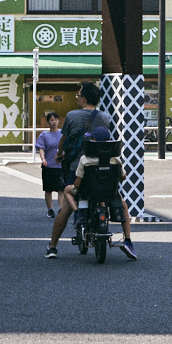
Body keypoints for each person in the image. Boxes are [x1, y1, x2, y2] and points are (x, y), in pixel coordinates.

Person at [46, 126, 136, 260]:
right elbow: (123, 177)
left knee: (66, 190)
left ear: (93, 140)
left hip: (88, 193)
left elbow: (77, 183)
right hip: (109, 193)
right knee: (123, 206)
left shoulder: (85, 159)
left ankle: (77, 212)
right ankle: (128, 240)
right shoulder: (115, 158)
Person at [57, 82, 111, 189]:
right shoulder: (104, 117)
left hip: (76, 167)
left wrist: (59, 154)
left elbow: (63, 141)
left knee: (68, 193)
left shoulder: (71, 115)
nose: (77, 98)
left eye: (78, 95)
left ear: (84, 99)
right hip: (98, 167)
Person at [36, 111, 63, 218]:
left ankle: (60, 208)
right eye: (51, 120)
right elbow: (41, 148)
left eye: (56, 120)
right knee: (48, 189)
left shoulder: (62, 133)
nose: (54, 122)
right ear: (48, 122)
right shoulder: (44, 135)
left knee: (61, 188)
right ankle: (50, 209)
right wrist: (43, 159)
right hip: (48, 165)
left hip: (60, 165)